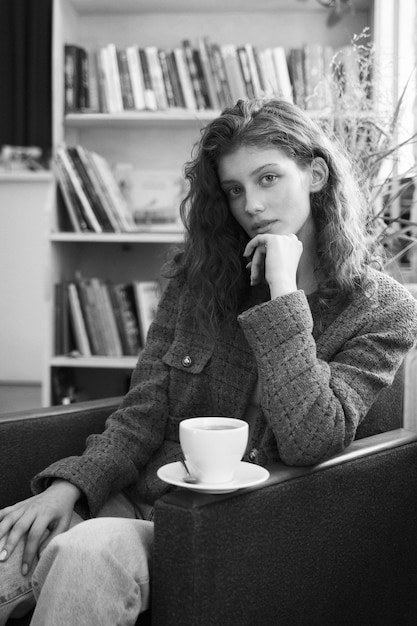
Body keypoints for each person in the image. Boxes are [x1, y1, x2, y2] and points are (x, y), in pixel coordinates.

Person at [1, 97, 417, 625]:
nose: (253, 206)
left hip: (225, 528)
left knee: (89, 551)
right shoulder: (197, 280)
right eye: (235, 189)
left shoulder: (381, 309)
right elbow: (143, 412)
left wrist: (282, 293)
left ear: (315, 174)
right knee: (17, 547)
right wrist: (69, 488)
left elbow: (312, 436)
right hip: (131, 501)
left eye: (268, 179)